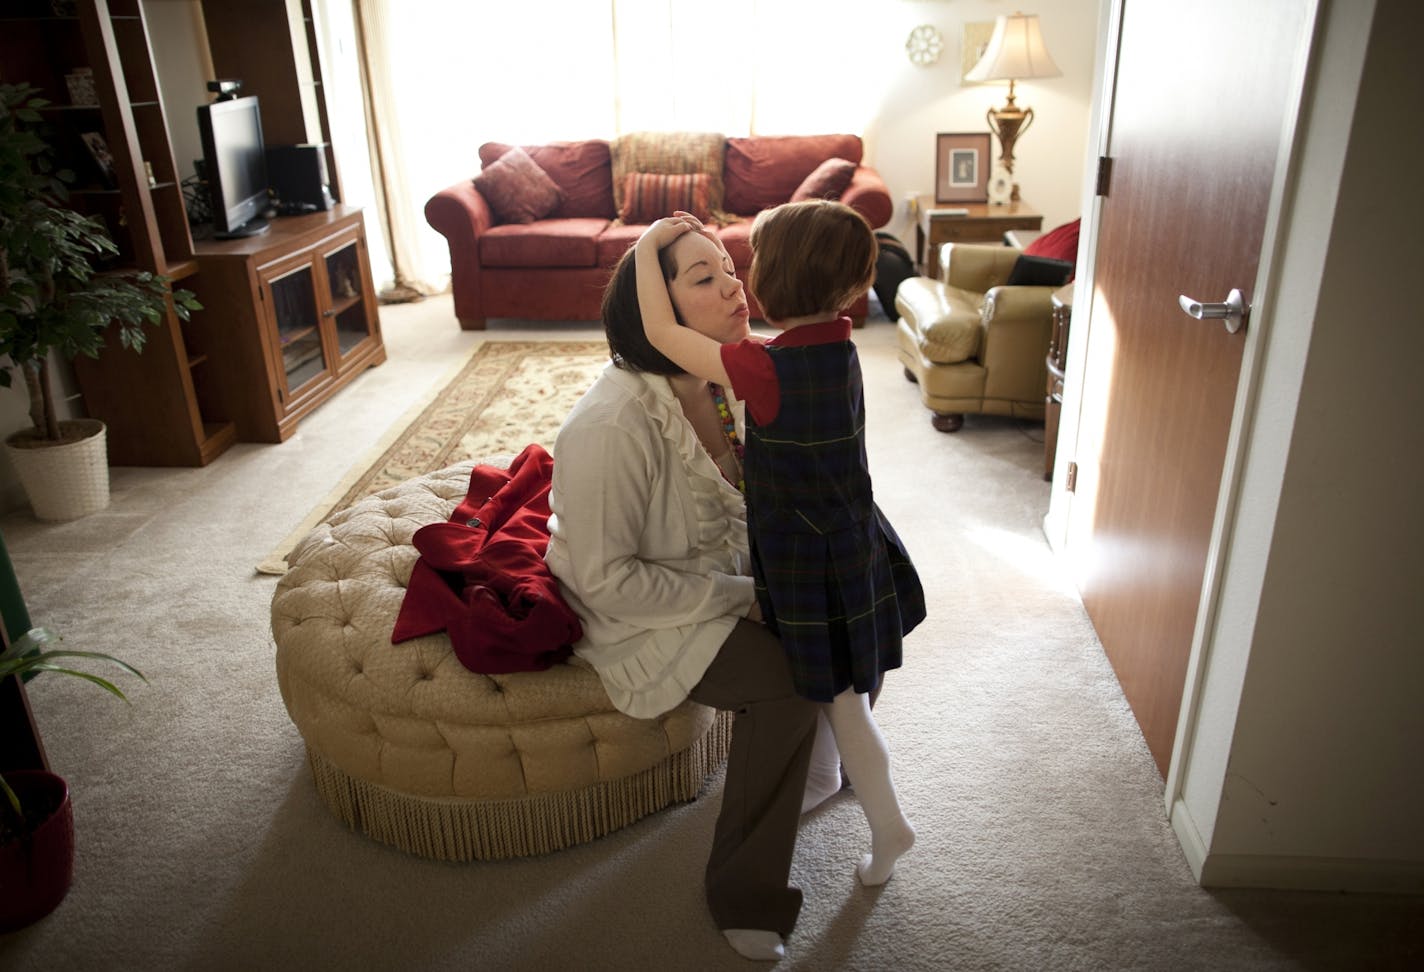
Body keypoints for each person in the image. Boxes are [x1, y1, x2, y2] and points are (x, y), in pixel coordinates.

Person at [545, 234, 825, 962]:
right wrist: (747, 596)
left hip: (721, 567)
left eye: (732, 269)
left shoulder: (725, 376)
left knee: (857, 594)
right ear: (653, 309)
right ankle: (744, 892)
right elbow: (609, 581)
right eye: (705, 278)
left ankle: (821, 767)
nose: (737, 288)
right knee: (786, 686)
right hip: (644, 610)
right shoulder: (610, 425)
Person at [634, 200, 926, 890]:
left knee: (843, 702)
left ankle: (889, 825)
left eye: (750, 263)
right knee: (853, 686)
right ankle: (846, 785)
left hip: (808, 562)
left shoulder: (760, 370)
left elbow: (654, 327)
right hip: (855, 537)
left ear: (772, 284)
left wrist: (651, 246)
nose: (743, 278)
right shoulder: (841, 345)